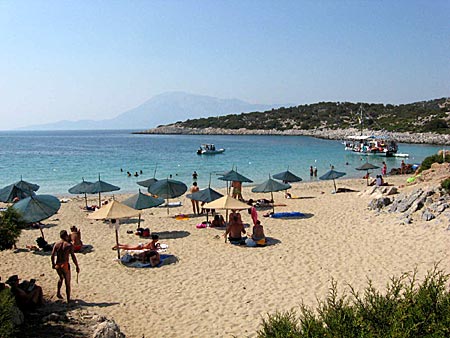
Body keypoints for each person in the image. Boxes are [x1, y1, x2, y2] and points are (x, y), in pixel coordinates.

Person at [51, 230, 80, 303]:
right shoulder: (68, 245)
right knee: (67, 283)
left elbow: (52, 255)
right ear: (66, 236)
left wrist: (53, 264)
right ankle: (68, 299)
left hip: (58, 264)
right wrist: (77, 266)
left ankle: (58, 292)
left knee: (61, 278)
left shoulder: (56, 244)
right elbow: (73, 256)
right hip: (65, 265)